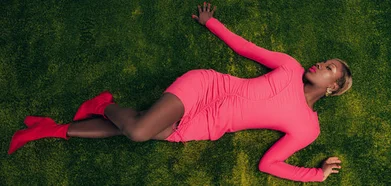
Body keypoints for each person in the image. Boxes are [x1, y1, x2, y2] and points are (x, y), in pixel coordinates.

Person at [8, 2, 352, 183]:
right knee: (140, 131)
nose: (320, 64)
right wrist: (211, 24)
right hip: (205, 87)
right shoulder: (290, 67)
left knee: (135, 127)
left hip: (209, 125)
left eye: (329, 68)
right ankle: (103, 104)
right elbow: (247, 49)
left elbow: (269, 164)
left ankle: (48, 129)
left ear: (333, 88)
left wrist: (316, 175)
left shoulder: (308, 128)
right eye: (325, 61)